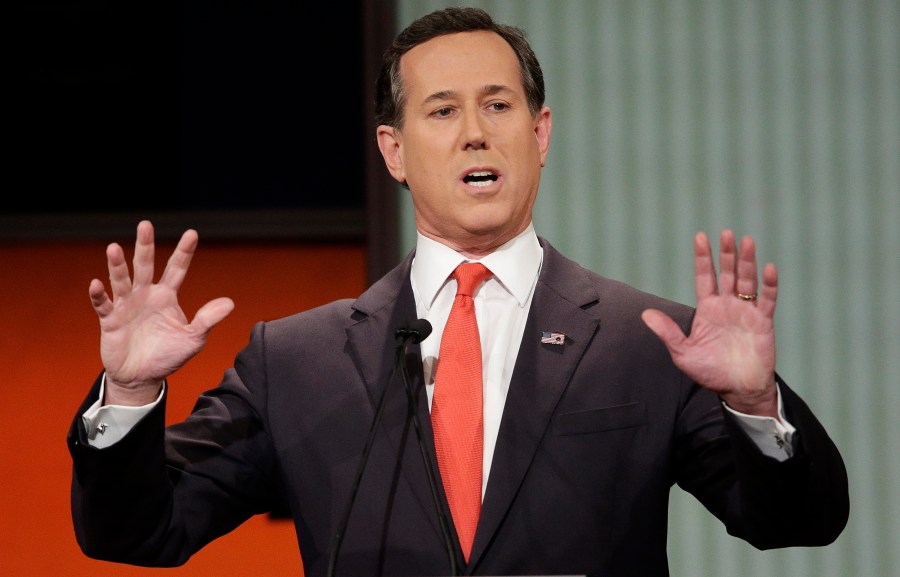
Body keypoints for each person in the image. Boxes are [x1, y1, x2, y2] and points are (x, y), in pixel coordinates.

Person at [68, 6, 849, 577]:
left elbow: (797, 524)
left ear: (540, 134)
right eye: (443, 111)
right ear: (395, 150)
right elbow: (139, 531)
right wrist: (132, 390)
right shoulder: (296, 361)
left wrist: (754, 406)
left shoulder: (645, 343)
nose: (475, 131)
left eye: (498, 105)